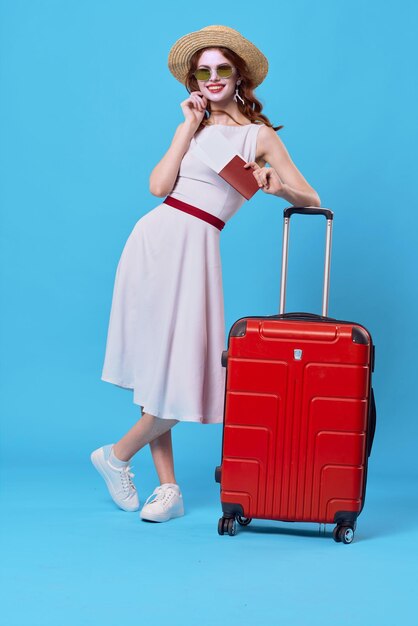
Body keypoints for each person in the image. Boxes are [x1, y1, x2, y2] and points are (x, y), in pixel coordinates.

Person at [90, 25, 321, 523]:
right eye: (204, 71)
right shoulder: (192, 128)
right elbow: (157, 187)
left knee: (182, 368)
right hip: (155, 240)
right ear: (195, 79)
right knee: (158, 366)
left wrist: (275, 185)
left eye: (222, 69)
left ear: (238, 76)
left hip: (198, 246)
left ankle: (115, 455)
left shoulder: (257, 137)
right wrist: (183, 129)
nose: (212, 77)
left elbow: (311, 198)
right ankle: (167, 489)